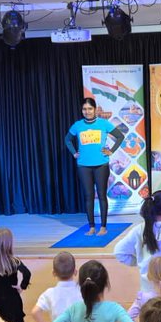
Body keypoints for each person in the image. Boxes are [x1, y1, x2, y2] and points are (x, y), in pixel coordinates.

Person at [64, 97, 126, 236]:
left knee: (102, 195)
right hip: (83, 165)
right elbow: (67, 139)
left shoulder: (103, 124)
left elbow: (120, 136)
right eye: (84, 109)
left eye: (90, 109)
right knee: (88, 196)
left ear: (95, 109)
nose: (87, 111)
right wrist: (74, 153)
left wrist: (111, 151)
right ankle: (91, 226)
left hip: (101, 165)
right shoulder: (78, 125)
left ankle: (103, 226)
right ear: (82, 110)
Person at [32, 251, 79, 322]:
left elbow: (35, 312)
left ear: (53, 273)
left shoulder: (49, 293)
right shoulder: (82, 290)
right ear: (75, 271)